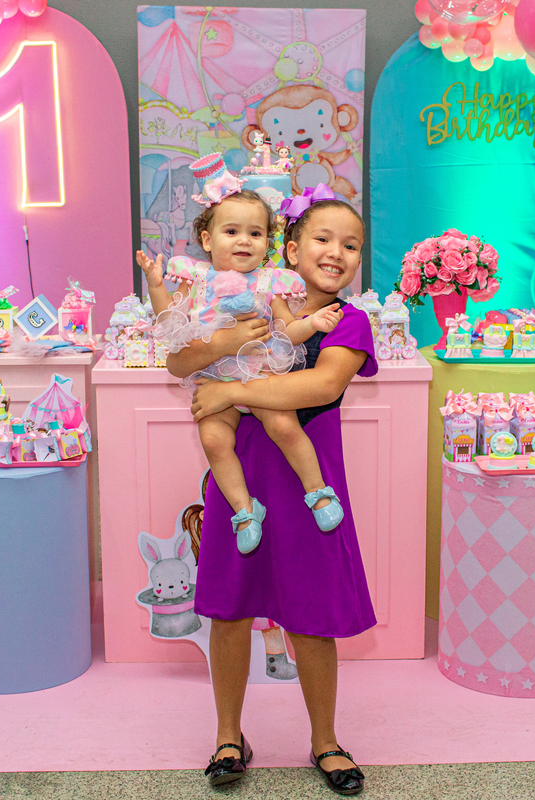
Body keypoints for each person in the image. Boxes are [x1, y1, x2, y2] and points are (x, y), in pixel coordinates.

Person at [172, 191, 374, 795]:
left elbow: (319, 386)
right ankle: (228, 737)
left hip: (310, 490)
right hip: (242, 490)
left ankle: (325, 741)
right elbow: (181, 360)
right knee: (230, 610)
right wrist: (221, 350)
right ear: (289, 249)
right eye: (322, 239)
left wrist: (232, 392)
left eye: (350, 245)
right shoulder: (238, 300)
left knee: (311, 617)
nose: (335, 253)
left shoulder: (347, 320)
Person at [137, 182, 345, 556]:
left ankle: (317, 491)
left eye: (255, 233)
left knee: (284, 426)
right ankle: (245, 511)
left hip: (259, 376)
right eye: (231, 231)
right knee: (214, 440)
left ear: (268, 243)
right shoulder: (196, 281)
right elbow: (171, 322)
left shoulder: (268, 283)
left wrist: (312, 324)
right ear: (207, 238)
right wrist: (155, 286)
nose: (244, 241)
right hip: (213, 379)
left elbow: (286, 332)